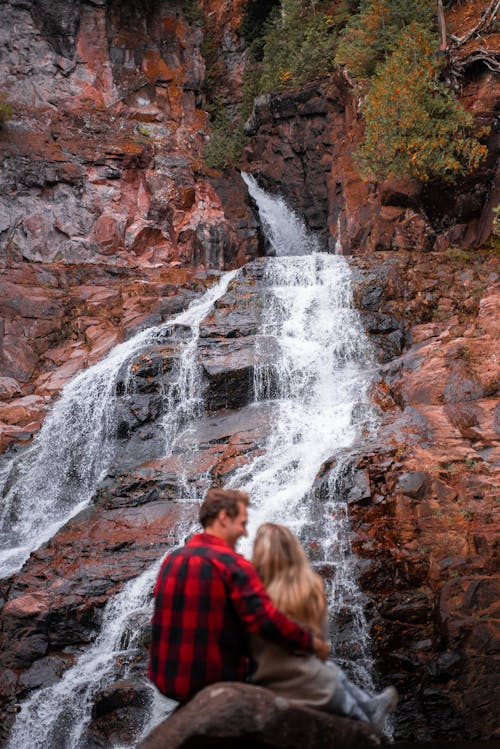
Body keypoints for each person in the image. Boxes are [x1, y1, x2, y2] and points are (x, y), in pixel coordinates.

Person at [148, 488, 329, 703]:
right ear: (223, 518)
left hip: (166, 681)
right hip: (213, 684)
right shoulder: (232, 564)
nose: (245, 533)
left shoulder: (172, 560)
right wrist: (311, 643)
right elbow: (266, 621)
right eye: (243, 524)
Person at [250, 522, 398, 732]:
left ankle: (369, 708)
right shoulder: (310, 590)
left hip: (264, 682)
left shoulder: (248, 595)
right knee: (334, 675)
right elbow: (321, 642)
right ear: (295, 550)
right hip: (316, 685)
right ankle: (370, 710)